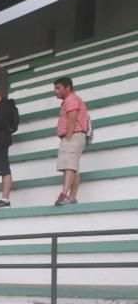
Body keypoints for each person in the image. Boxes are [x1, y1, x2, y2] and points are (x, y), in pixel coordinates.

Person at [53, 76, 90, 206]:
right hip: (74, 135)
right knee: (73, 168)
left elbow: (72, 118)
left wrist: (68, 137)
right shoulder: (71, 99)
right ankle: (72, 197)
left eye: (58, 88)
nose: (55, 91)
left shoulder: (71, 99)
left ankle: (64, 194)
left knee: (69, 166)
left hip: (73, 135)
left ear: (68, 88)